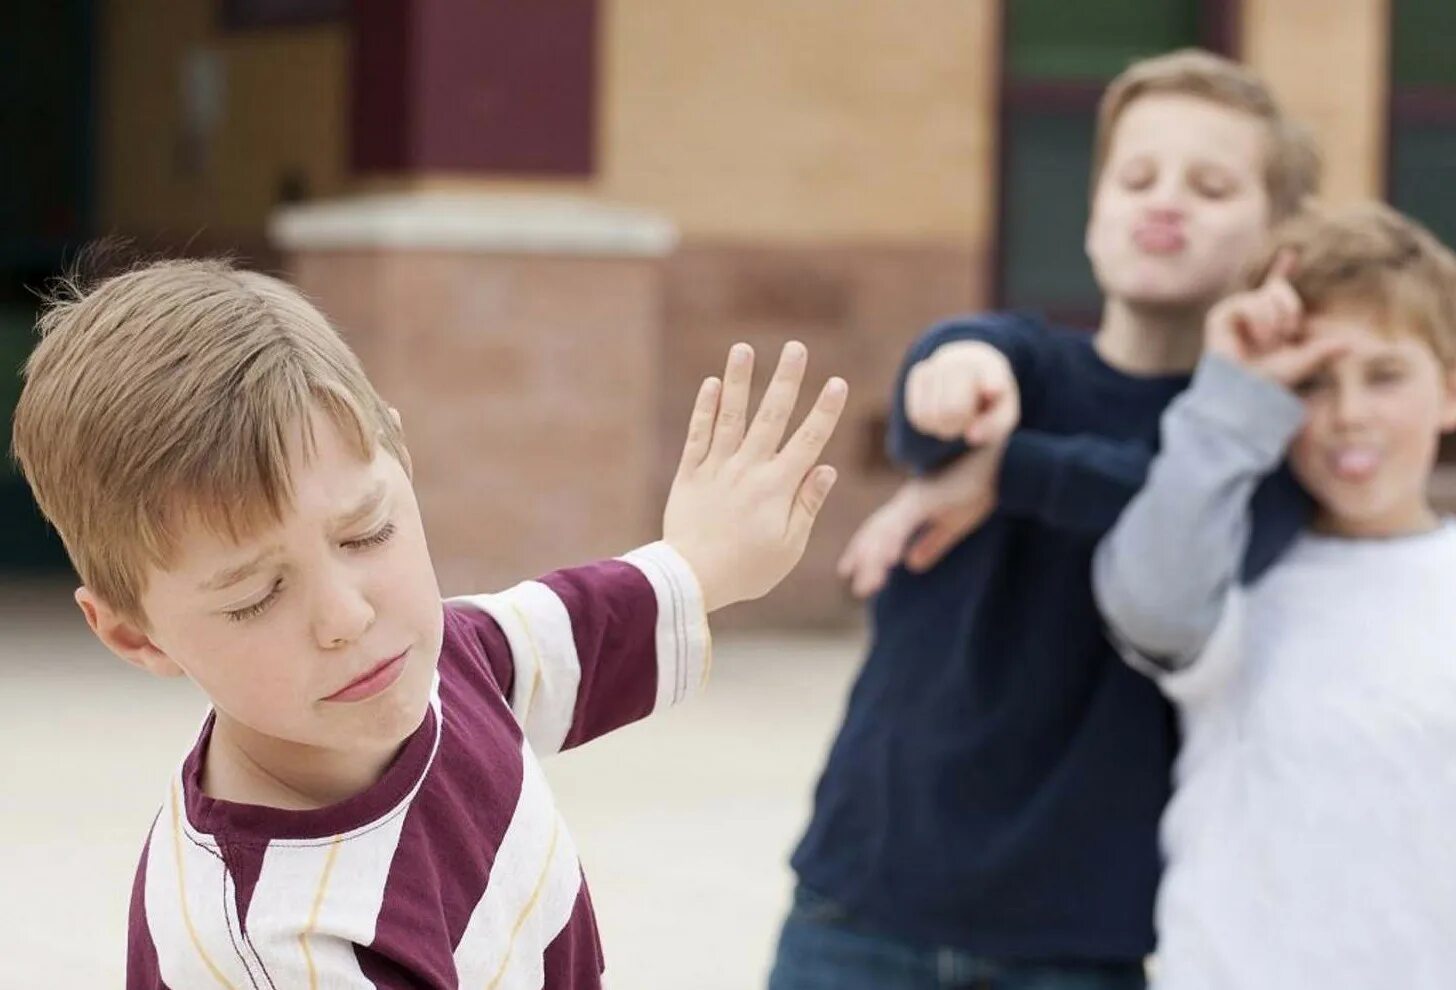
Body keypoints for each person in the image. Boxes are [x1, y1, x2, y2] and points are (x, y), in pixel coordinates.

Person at [10, 258, 847, 989]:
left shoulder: (439, 662)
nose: (347, 616)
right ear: (135, 634)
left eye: (365, 532)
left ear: (401, 457)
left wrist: (705, 560)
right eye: (255, 595)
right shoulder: (275, 943)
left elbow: (581, 630)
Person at [772, 50, 1319, 990]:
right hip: (860, 904)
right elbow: (939, 387)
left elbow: (1192, 507)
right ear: (1095, 211)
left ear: (1276, 238)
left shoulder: (1249, 448)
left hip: (1076, 945)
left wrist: (1009, 472)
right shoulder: (1018, 363)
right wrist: (958, 387)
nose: (1166, 201)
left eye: (1213, 185)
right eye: (1135, 176)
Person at [1093, 203, 1456, 988]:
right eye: (1312, 382)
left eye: (1385, 375)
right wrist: (1232, 396)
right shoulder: (1235, 573)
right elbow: (1149, 603)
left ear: (1451, 391)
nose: (1348, 415)